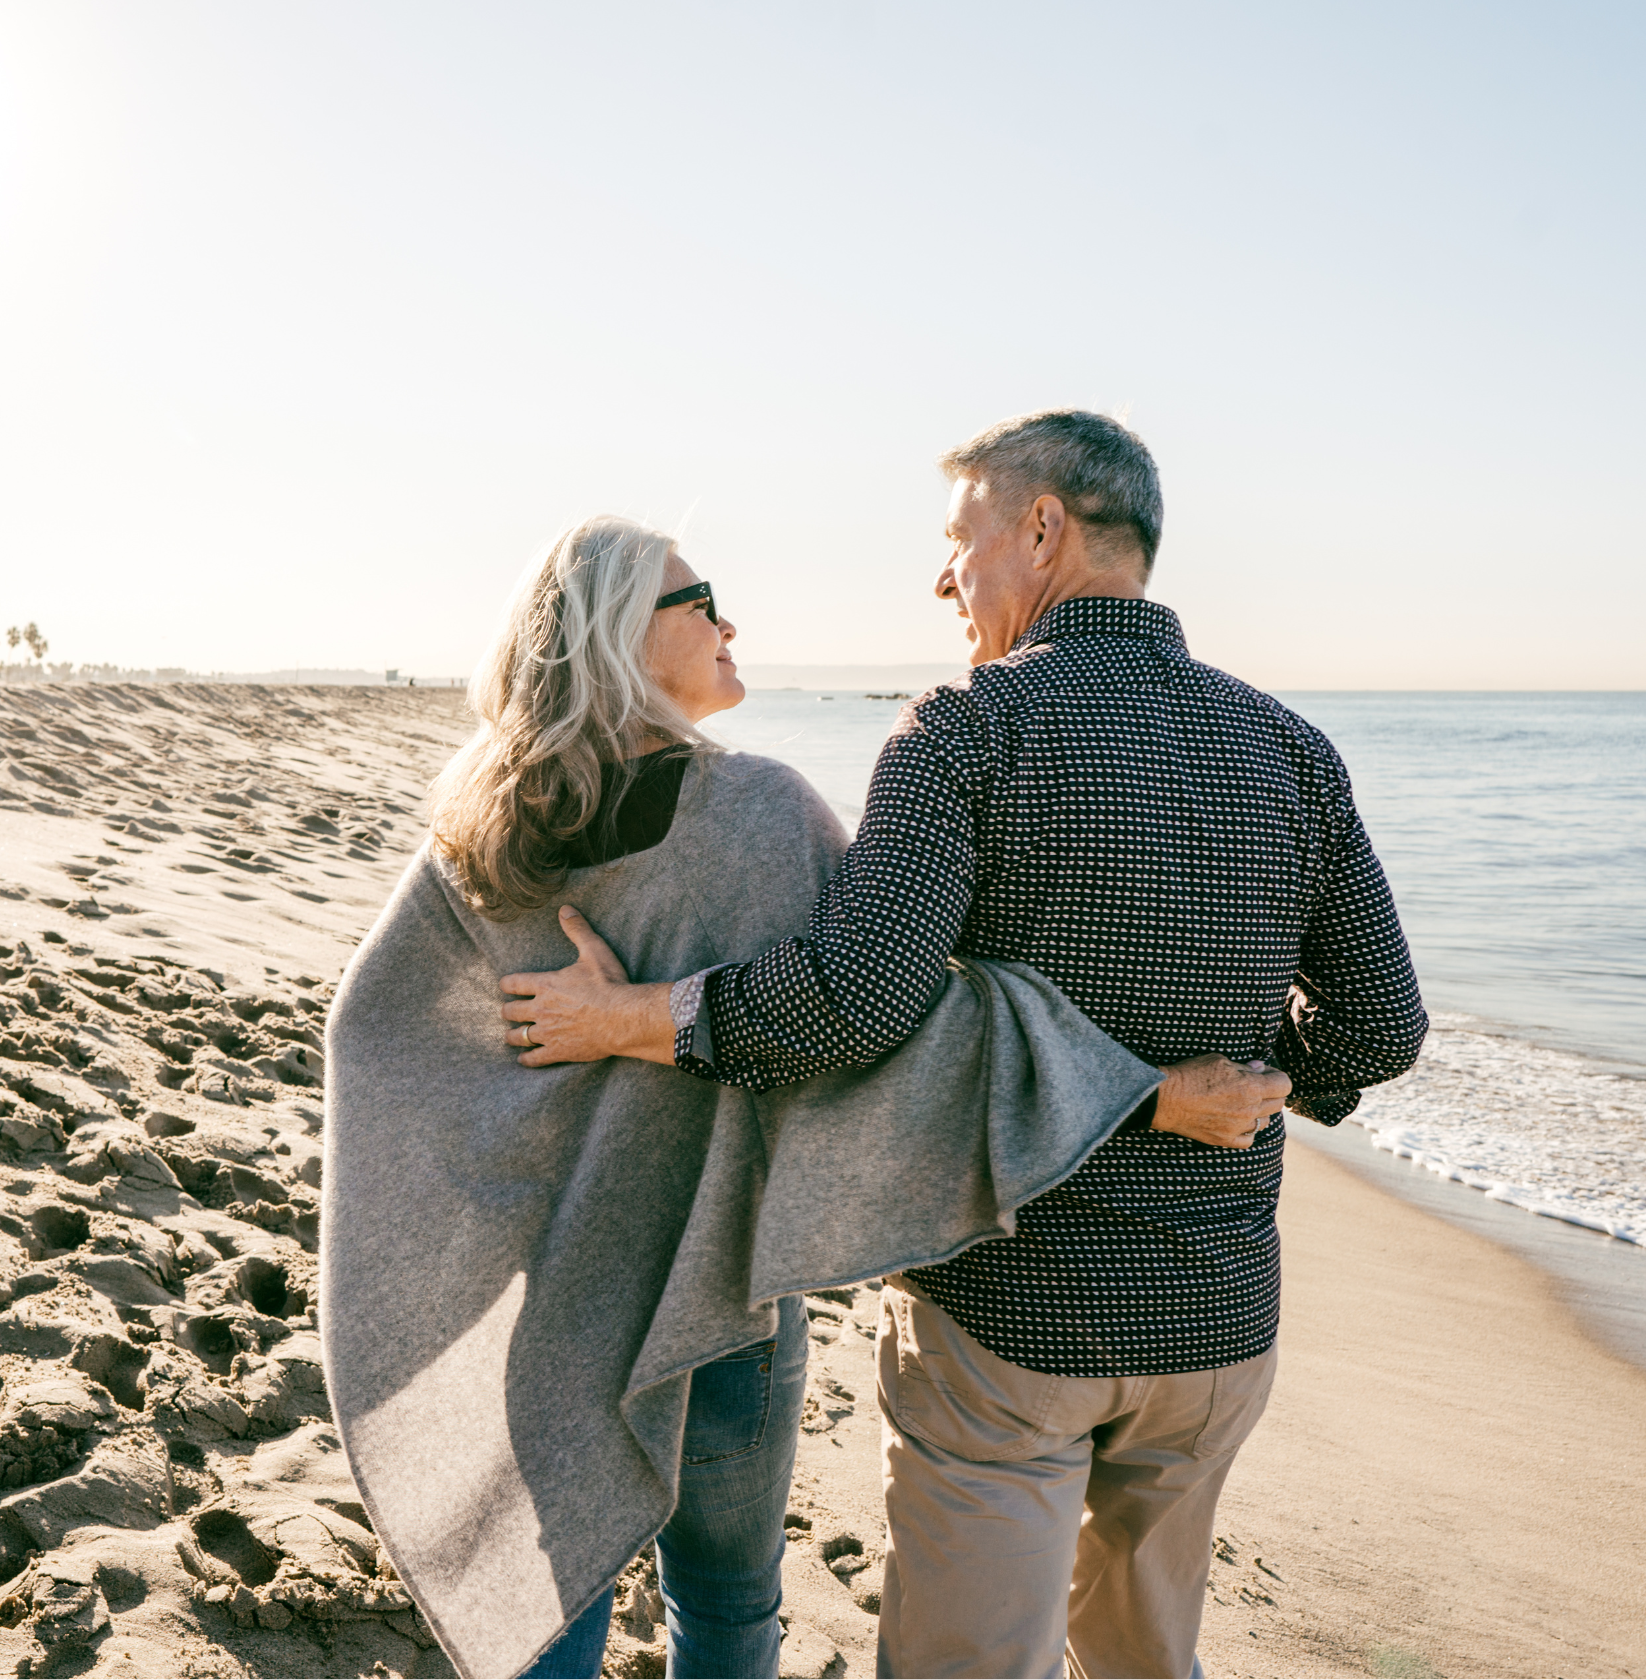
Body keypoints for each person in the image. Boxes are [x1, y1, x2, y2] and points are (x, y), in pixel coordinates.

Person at [498, 411, 1428, 1680]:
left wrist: (636, 1018)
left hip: (1012, 1318)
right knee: (1150, 1661)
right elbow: (1384, 1025)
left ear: (1042, 529)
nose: (945, 576)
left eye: (959, 537)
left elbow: (855, 1002)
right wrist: (1269, 1083)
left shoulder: (969, 730)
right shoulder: (1290, 748)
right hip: (1218, 1318)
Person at [323, 511, 1285, 1680]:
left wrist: (515, 1159)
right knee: (726, 1604)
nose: (730, 622)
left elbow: (377, 1039)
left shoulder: (479, 826)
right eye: (701, 600)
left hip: (554, 1289)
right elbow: (905, 1026)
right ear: (624, 634)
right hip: (721, 1283)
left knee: (548, 1596)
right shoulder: (761, 814)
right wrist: (1147, 1096)